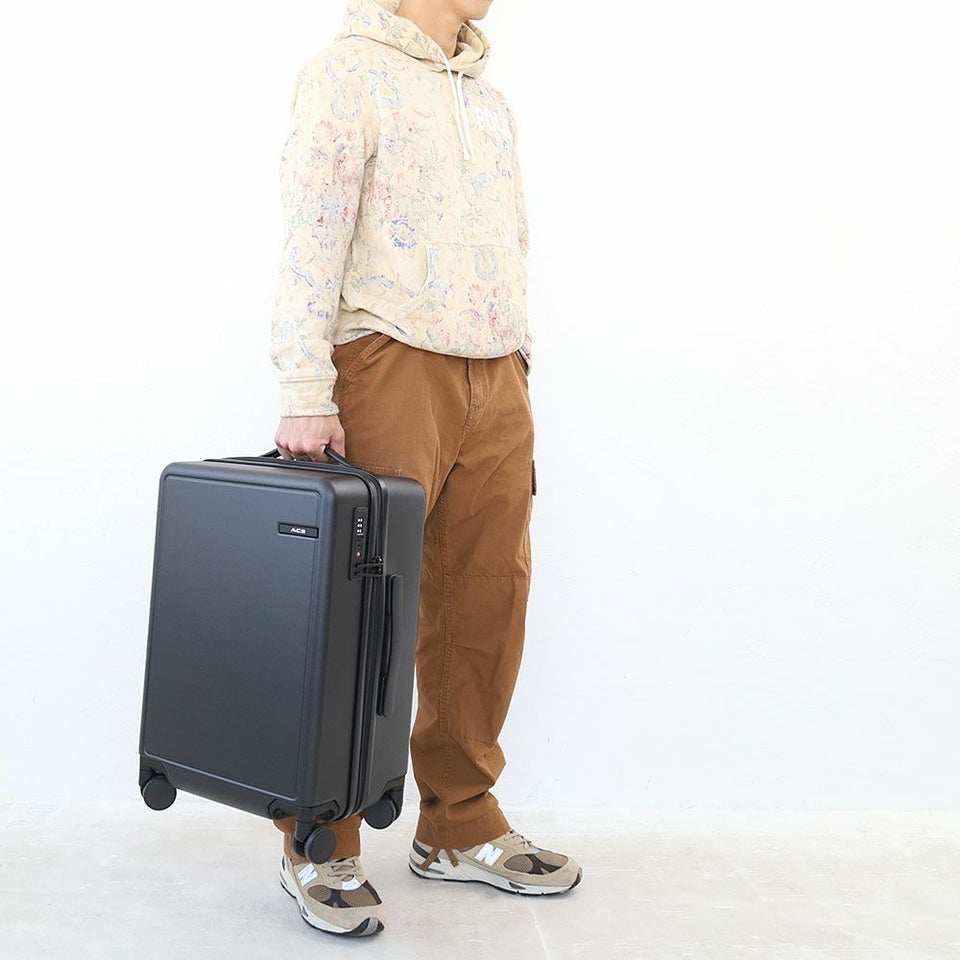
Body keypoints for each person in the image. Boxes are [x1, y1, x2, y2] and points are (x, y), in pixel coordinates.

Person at [269, 0, 581, 937]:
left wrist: (515, 353)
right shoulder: (345, 73)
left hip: (496, 371)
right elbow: (312, 232)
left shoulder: (488, 100)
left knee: (486, 597)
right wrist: (304, 385)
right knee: (361, 609)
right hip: (388, 358)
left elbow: (512, 238)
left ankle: (458, 822)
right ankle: (321, 838)